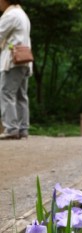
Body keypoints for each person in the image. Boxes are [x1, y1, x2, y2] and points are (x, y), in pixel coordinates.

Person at [0, 0, 32, 140]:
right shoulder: (22, 14)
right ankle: (23, 128)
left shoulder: (11, 15)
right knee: (21, 95)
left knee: (6, 92)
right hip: (25, 59)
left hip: (13, 60)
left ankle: (11, 128)